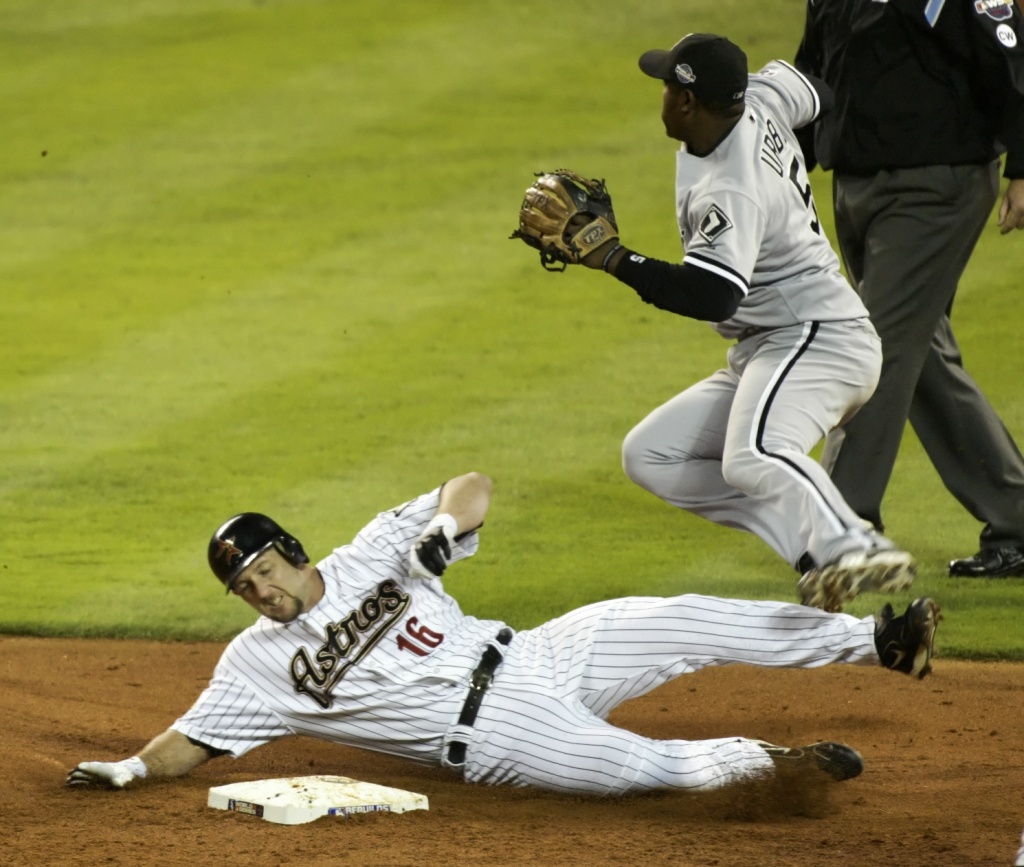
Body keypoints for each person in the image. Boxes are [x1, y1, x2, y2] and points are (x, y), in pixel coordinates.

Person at [67, 472, 940, 796]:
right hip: (492, 735)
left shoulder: (375, 549)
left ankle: (879, 641)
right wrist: (136, 764)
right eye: (242, 586)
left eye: (262, 571)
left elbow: (471, 481)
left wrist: (442, 530)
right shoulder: (256, 662)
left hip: (535, 651)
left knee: (676, 617)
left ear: (291, 553)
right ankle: (775, 765)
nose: (257, 592)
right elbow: (197, 735)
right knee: (643, 766)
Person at [564, 33, 915, 612]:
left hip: (816, 336)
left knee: (753, 452)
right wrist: (786, 158)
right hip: (773, 343)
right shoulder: (756, 97)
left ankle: (853, 540)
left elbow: (713, 294)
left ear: (687, 103)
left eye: (667, 85)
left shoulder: (731, 187)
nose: (662, 93)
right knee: (651, 454)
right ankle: (815, 554)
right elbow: (820, 92)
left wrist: (614, 259)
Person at [795, 1, 1024, 578]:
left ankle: (843, 530)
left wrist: (1023, 164)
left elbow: (1010, 53)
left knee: (874, 345)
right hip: (854, 180)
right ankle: (1017, 519)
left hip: (935, 183)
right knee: (920, 357)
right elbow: (810, 72)